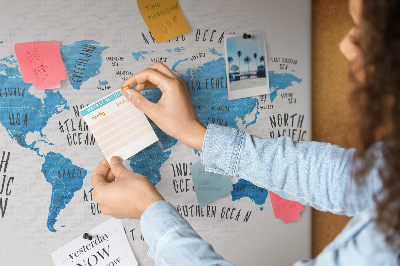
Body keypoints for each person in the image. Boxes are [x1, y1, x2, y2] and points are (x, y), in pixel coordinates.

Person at [91, 0, 400, 264]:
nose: (346, 47)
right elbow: (343, 178)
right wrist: (195, 134)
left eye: (364, 30)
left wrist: (149, 211)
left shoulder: (385, 248)